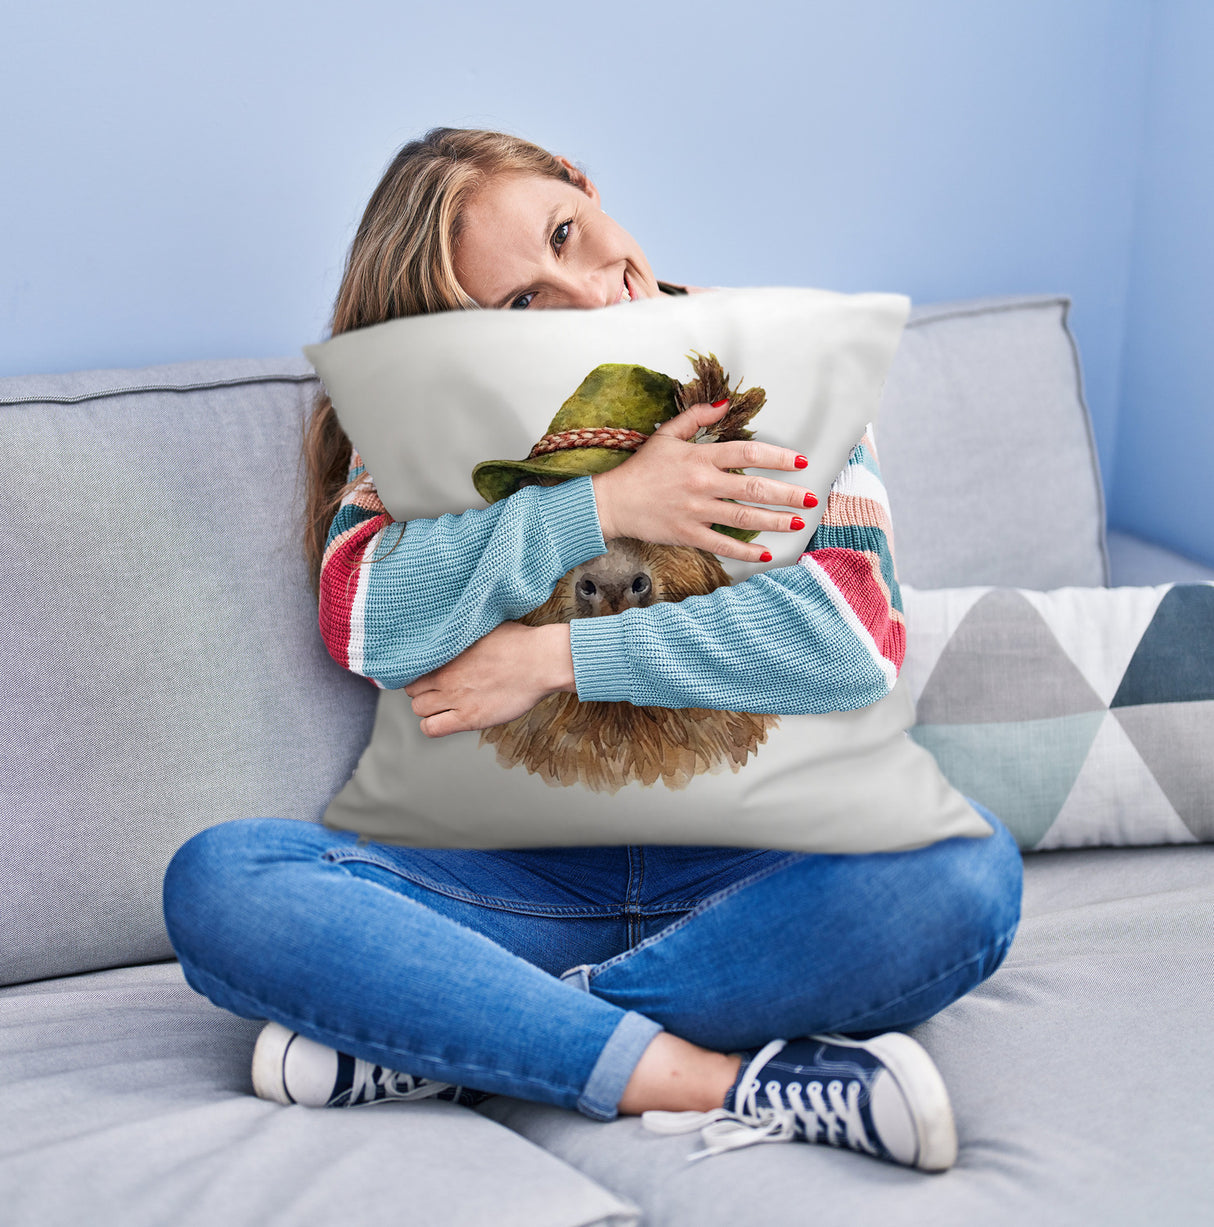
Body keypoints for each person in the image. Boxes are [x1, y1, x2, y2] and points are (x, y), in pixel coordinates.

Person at [162, 127, 1023, 1172]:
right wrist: (602, 504)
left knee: (962, 869)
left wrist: (551, 662)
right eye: (521, 302)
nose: (585, 292)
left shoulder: (788, 364)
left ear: (580, 182)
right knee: (224, 877)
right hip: (502, 890)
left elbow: (845, 635)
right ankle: (713, 1079)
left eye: (565, 233)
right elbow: (366, 621)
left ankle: (463, 1037)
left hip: (750, 882)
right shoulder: (437, 409)